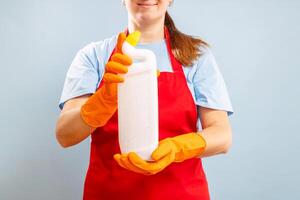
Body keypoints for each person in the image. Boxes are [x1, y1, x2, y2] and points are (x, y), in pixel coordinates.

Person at [56, 0, 234, 199]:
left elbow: (222, 135)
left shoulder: (195, 56)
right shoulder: (94, 57)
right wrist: (103, 101)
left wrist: (177, 148)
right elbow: (65, 135)